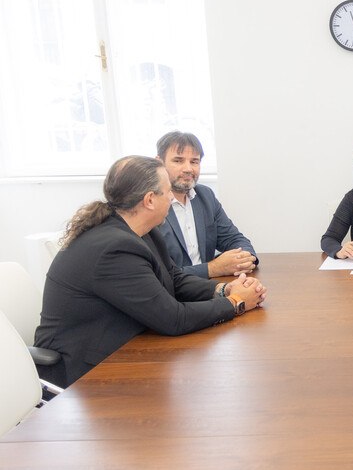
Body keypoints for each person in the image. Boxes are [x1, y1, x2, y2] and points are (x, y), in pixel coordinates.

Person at [34, 156, 267, 388]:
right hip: (84, 373)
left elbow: (173, 278)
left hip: (125, 348)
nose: (172, 197)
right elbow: (172, 319)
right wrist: (236, 302)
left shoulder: (143, 231)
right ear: (149, 200)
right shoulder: (113, 249)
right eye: (167, 192)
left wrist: (223, 289)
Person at [155, 131, 258, 278]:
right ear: (159, 162)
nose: (188, 169)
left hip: (209, 288)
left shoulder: (205, 196)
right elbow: (160, 274)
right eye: (178, 161)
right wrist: (212, 268)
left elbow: (234, 239)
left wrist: (244, 259)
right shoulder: (150, 204)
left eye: (194, 162)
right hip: (173, 294)